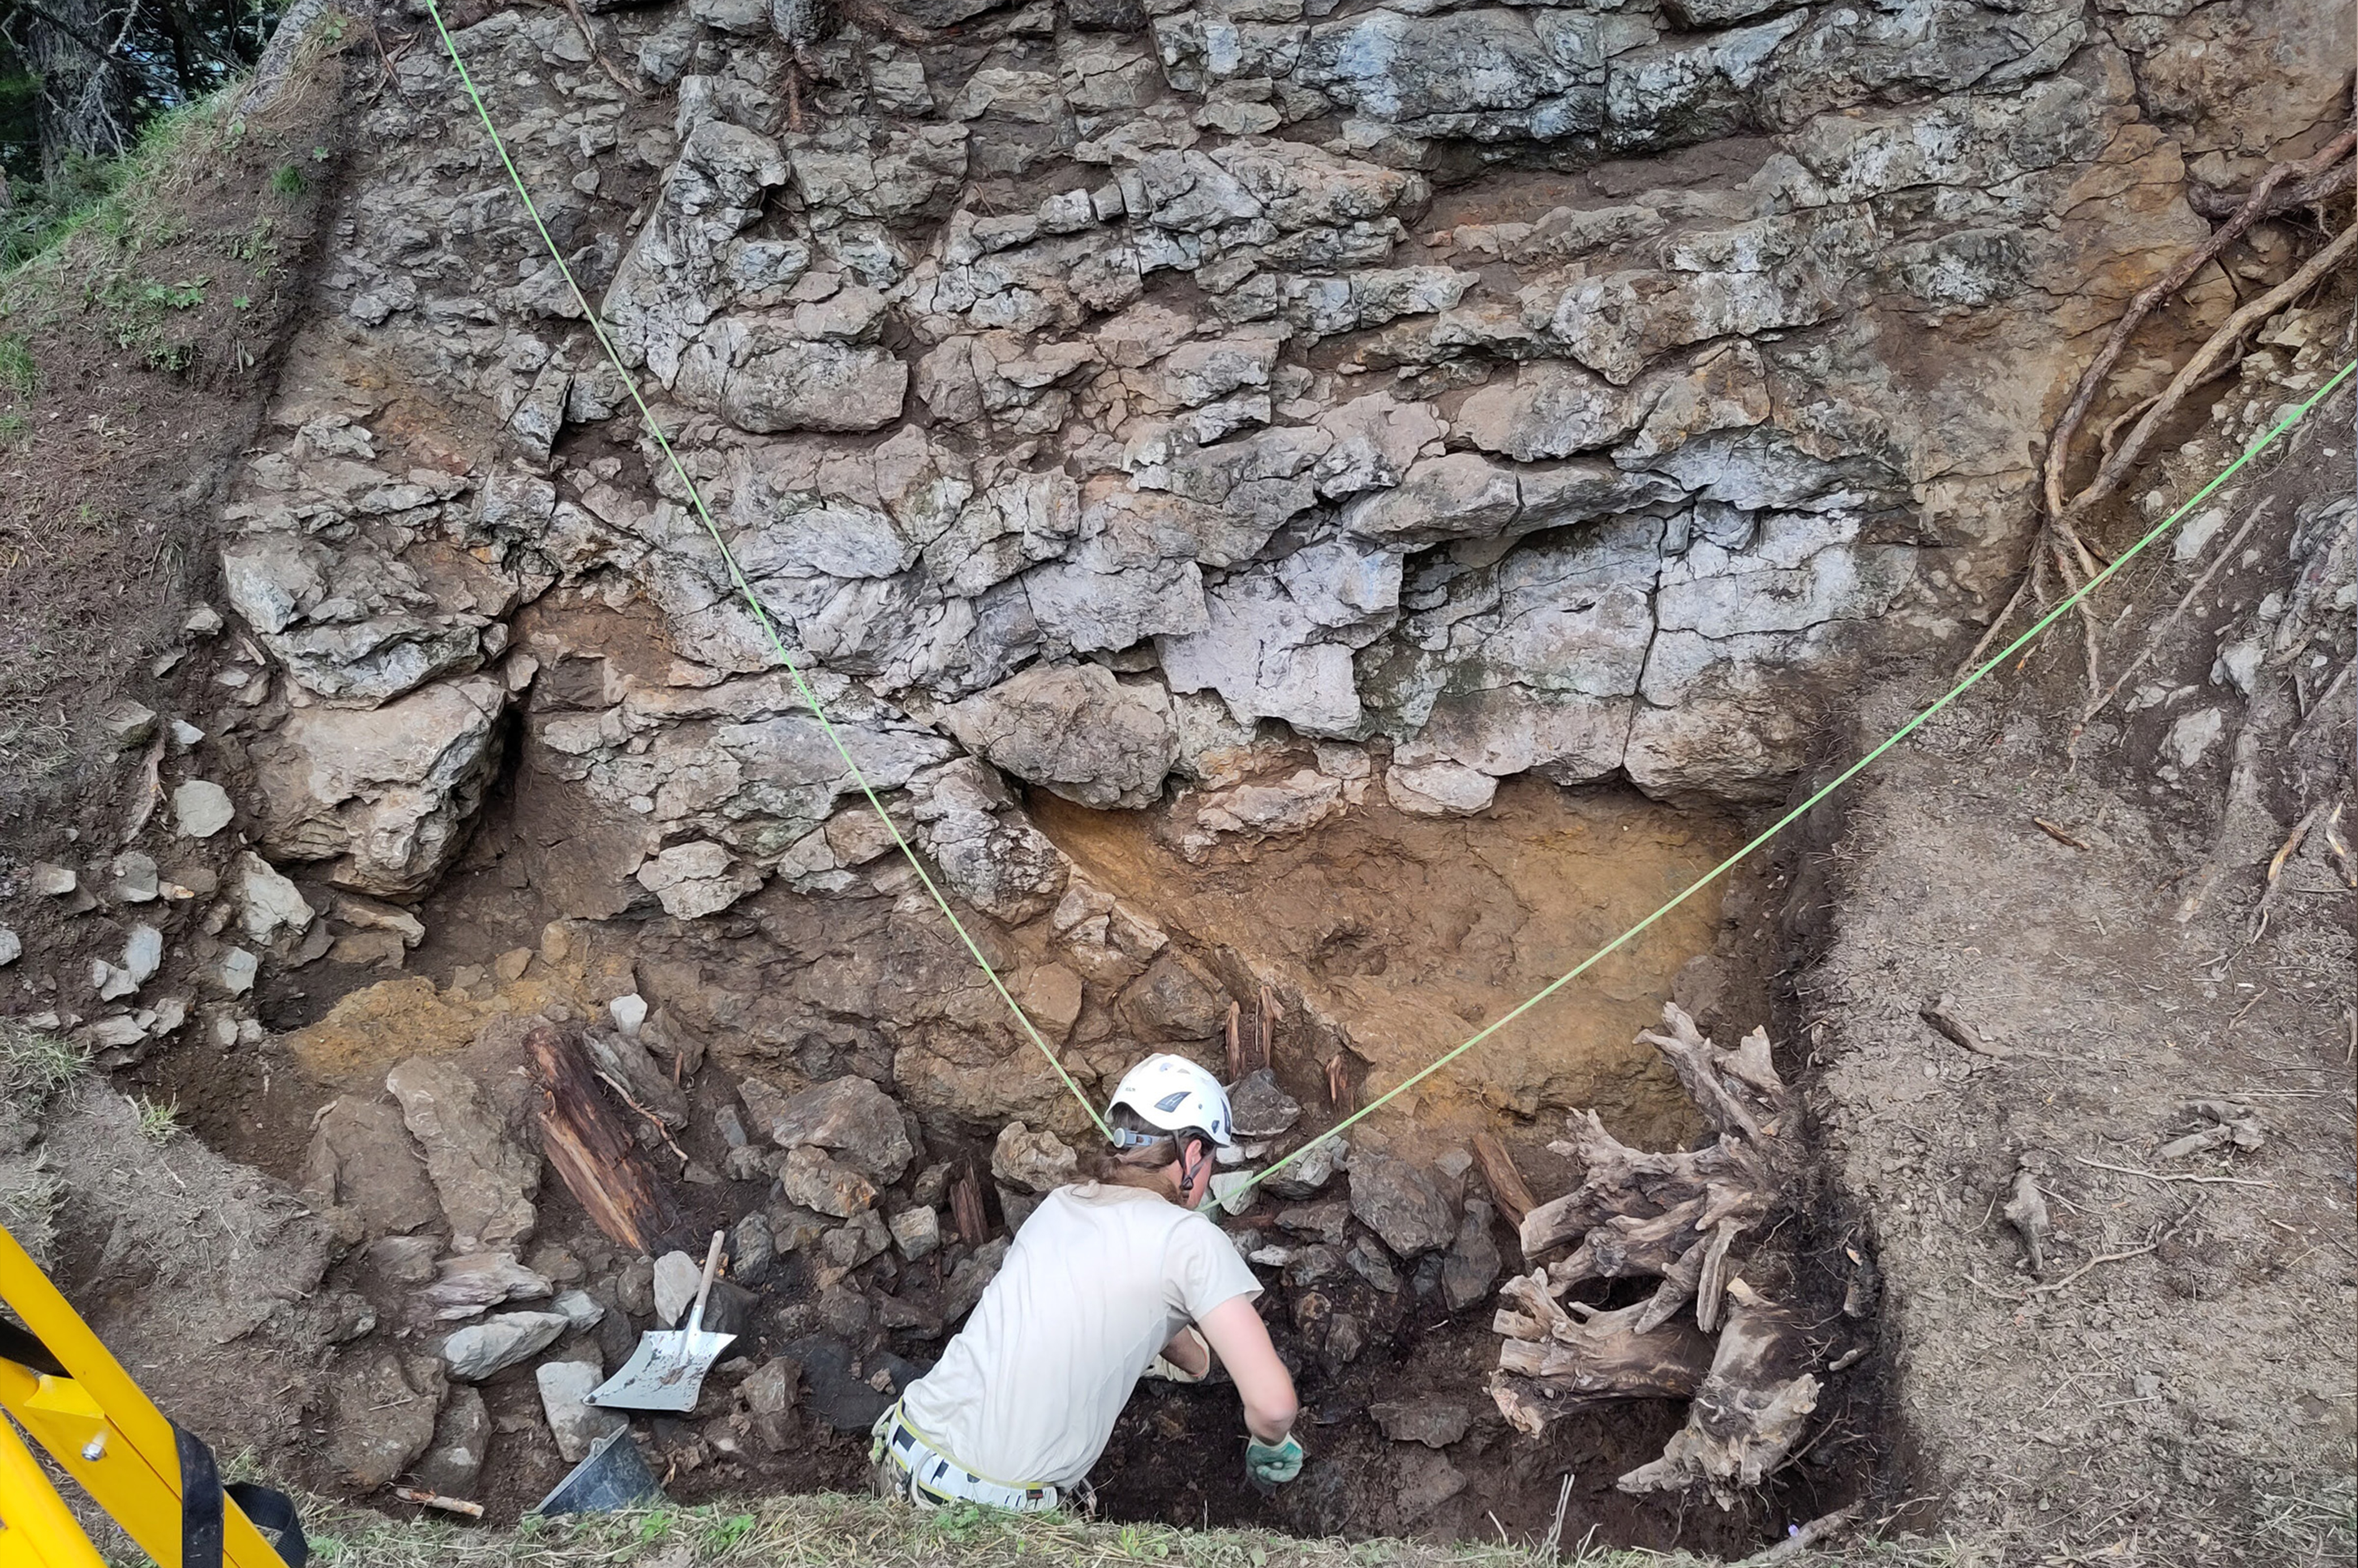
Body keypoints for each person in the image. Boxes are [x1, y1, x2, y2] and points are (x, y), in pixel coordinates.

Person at [873, 1054, 1303, 1511]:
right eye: (1211, 1160)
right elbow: (1273, 1404)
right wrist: (1271, 1443)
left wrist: (1197, 1361)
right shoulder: (1189, 1238)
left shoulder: (1061, 1202)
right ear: (1193, 1153)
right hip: (986, 1503)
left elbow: (1128, 1296)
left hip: (902, 1449)